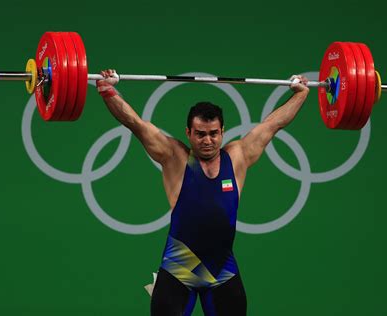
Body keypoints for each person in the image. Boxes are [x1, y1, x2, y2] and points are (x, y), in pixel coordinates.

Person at [96, 70, 310, 316]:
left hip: (222, 269)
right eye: (200, 134)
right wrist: (107, 89)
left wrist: (300, 94)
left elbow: (274, 124)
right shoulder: (175, 157)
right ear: (188, 133)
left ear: (222, 132)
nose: (207, 140)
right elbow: (135, 123)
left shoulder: (237, 156)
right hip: (179, 267)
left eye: (213, 133)